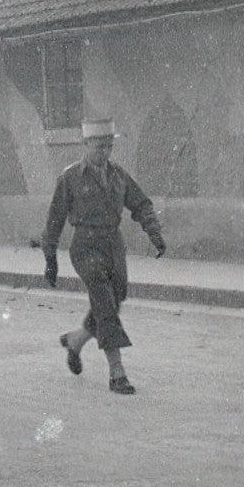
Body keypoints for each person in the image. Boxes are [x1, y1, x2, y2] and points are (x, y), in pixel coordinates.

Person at [42, 117, 166, 395]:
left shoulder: (118, 175)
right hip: (85, 245)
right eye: (99, 146)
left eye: (109, 146)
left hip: (113, 244)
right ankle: (117, 372)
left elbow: (141, 204)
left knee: (115, 298)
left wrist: (154, 233)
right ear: (85, 144)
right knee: (105, 303)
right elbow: (54, 219)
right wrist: (50, 258)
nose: (105, 152)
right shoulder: (70, 177)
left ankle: (76, 341)